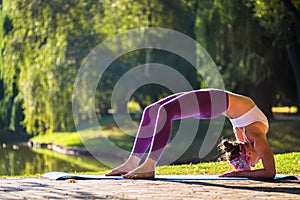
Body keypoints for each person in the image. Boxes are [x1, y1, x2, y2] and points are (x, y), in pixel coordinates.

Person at [105, 89, 276, 179]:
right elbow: (270, 172)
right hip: (217, 101)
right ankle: (132, 162)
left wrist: (238, 172)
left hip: (216, 102)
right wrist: (239, 172)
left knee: (165, 112)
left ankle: (149, 165)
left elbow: (265, 172)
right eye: (255, 162)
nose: (256, 163)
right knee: (152, 111)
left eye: (252, 164)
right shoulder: (257, 138)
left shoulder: (247, 139)